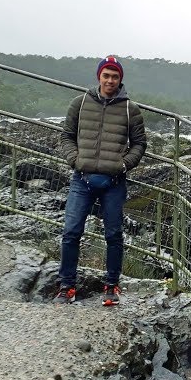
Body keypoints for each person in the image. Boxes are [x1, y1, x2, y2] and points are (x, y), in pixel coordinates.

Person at [55, 55, 147, 305]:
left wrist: (123, 165)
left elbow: (139, 144)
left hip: (114, 183)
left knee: (114, 235)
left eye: (114, 76)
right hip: (81, 179)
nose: (110, 80)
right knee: (71, 232)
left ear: (120, 79)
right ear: (99, 76)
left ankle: (112, 285)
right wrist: (74, 160)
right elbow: (66, 136)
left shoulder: (131, 110)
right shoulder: (80, 103)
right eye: (106, 75)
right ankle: (66, 287)